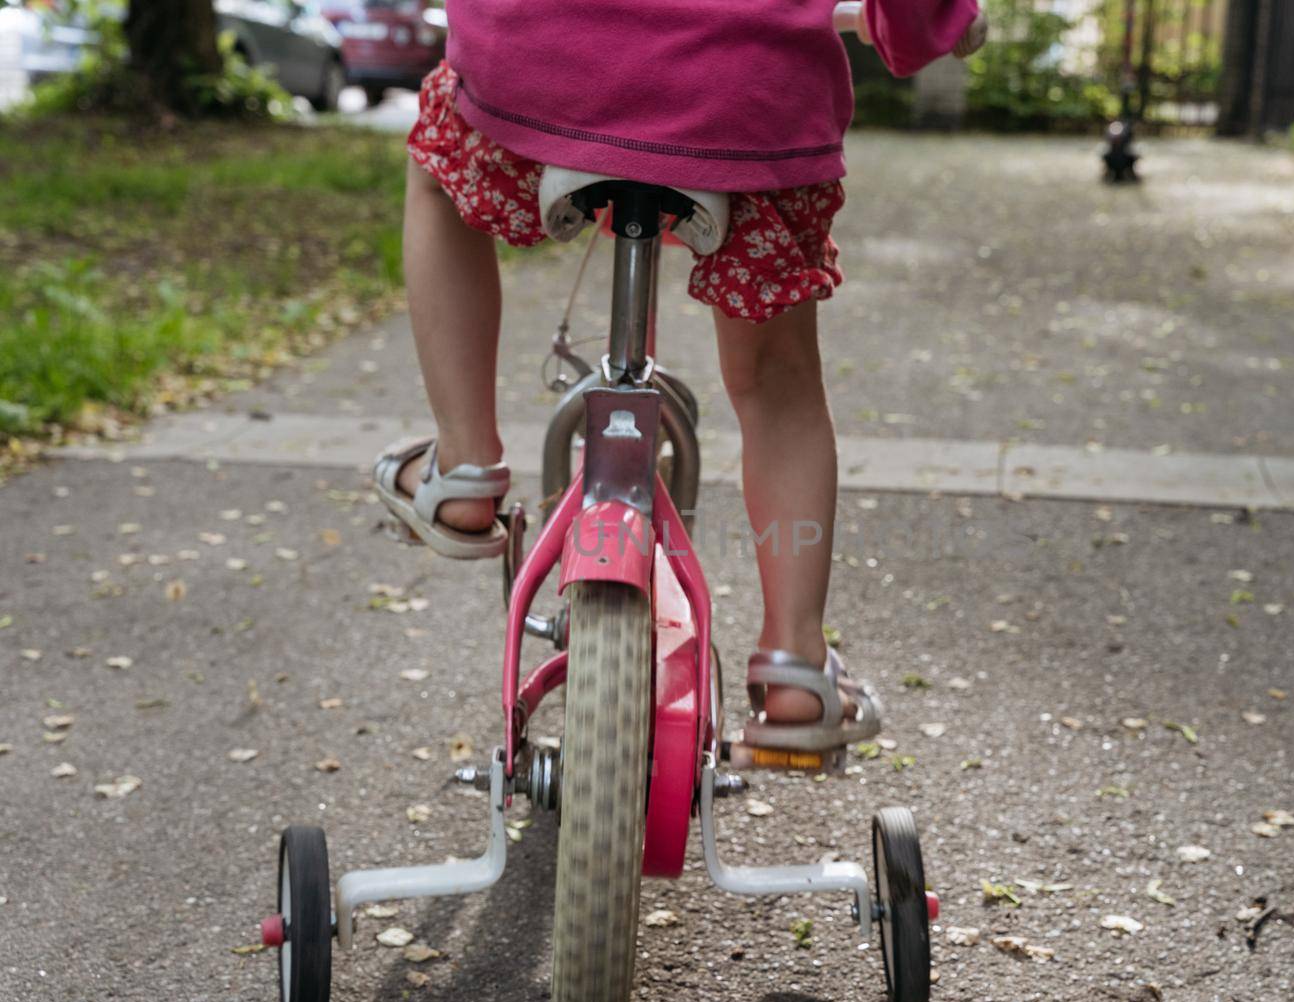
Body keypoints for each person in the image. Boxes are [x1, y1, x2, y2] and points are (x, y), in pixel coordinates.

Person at [372, 0, 986, 750]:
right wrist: (928, 25)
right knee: (778, 379)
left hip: (537, 64)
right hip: (746, 93)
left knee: (439, 177)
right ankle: (795, 665)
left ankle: (464, 465)